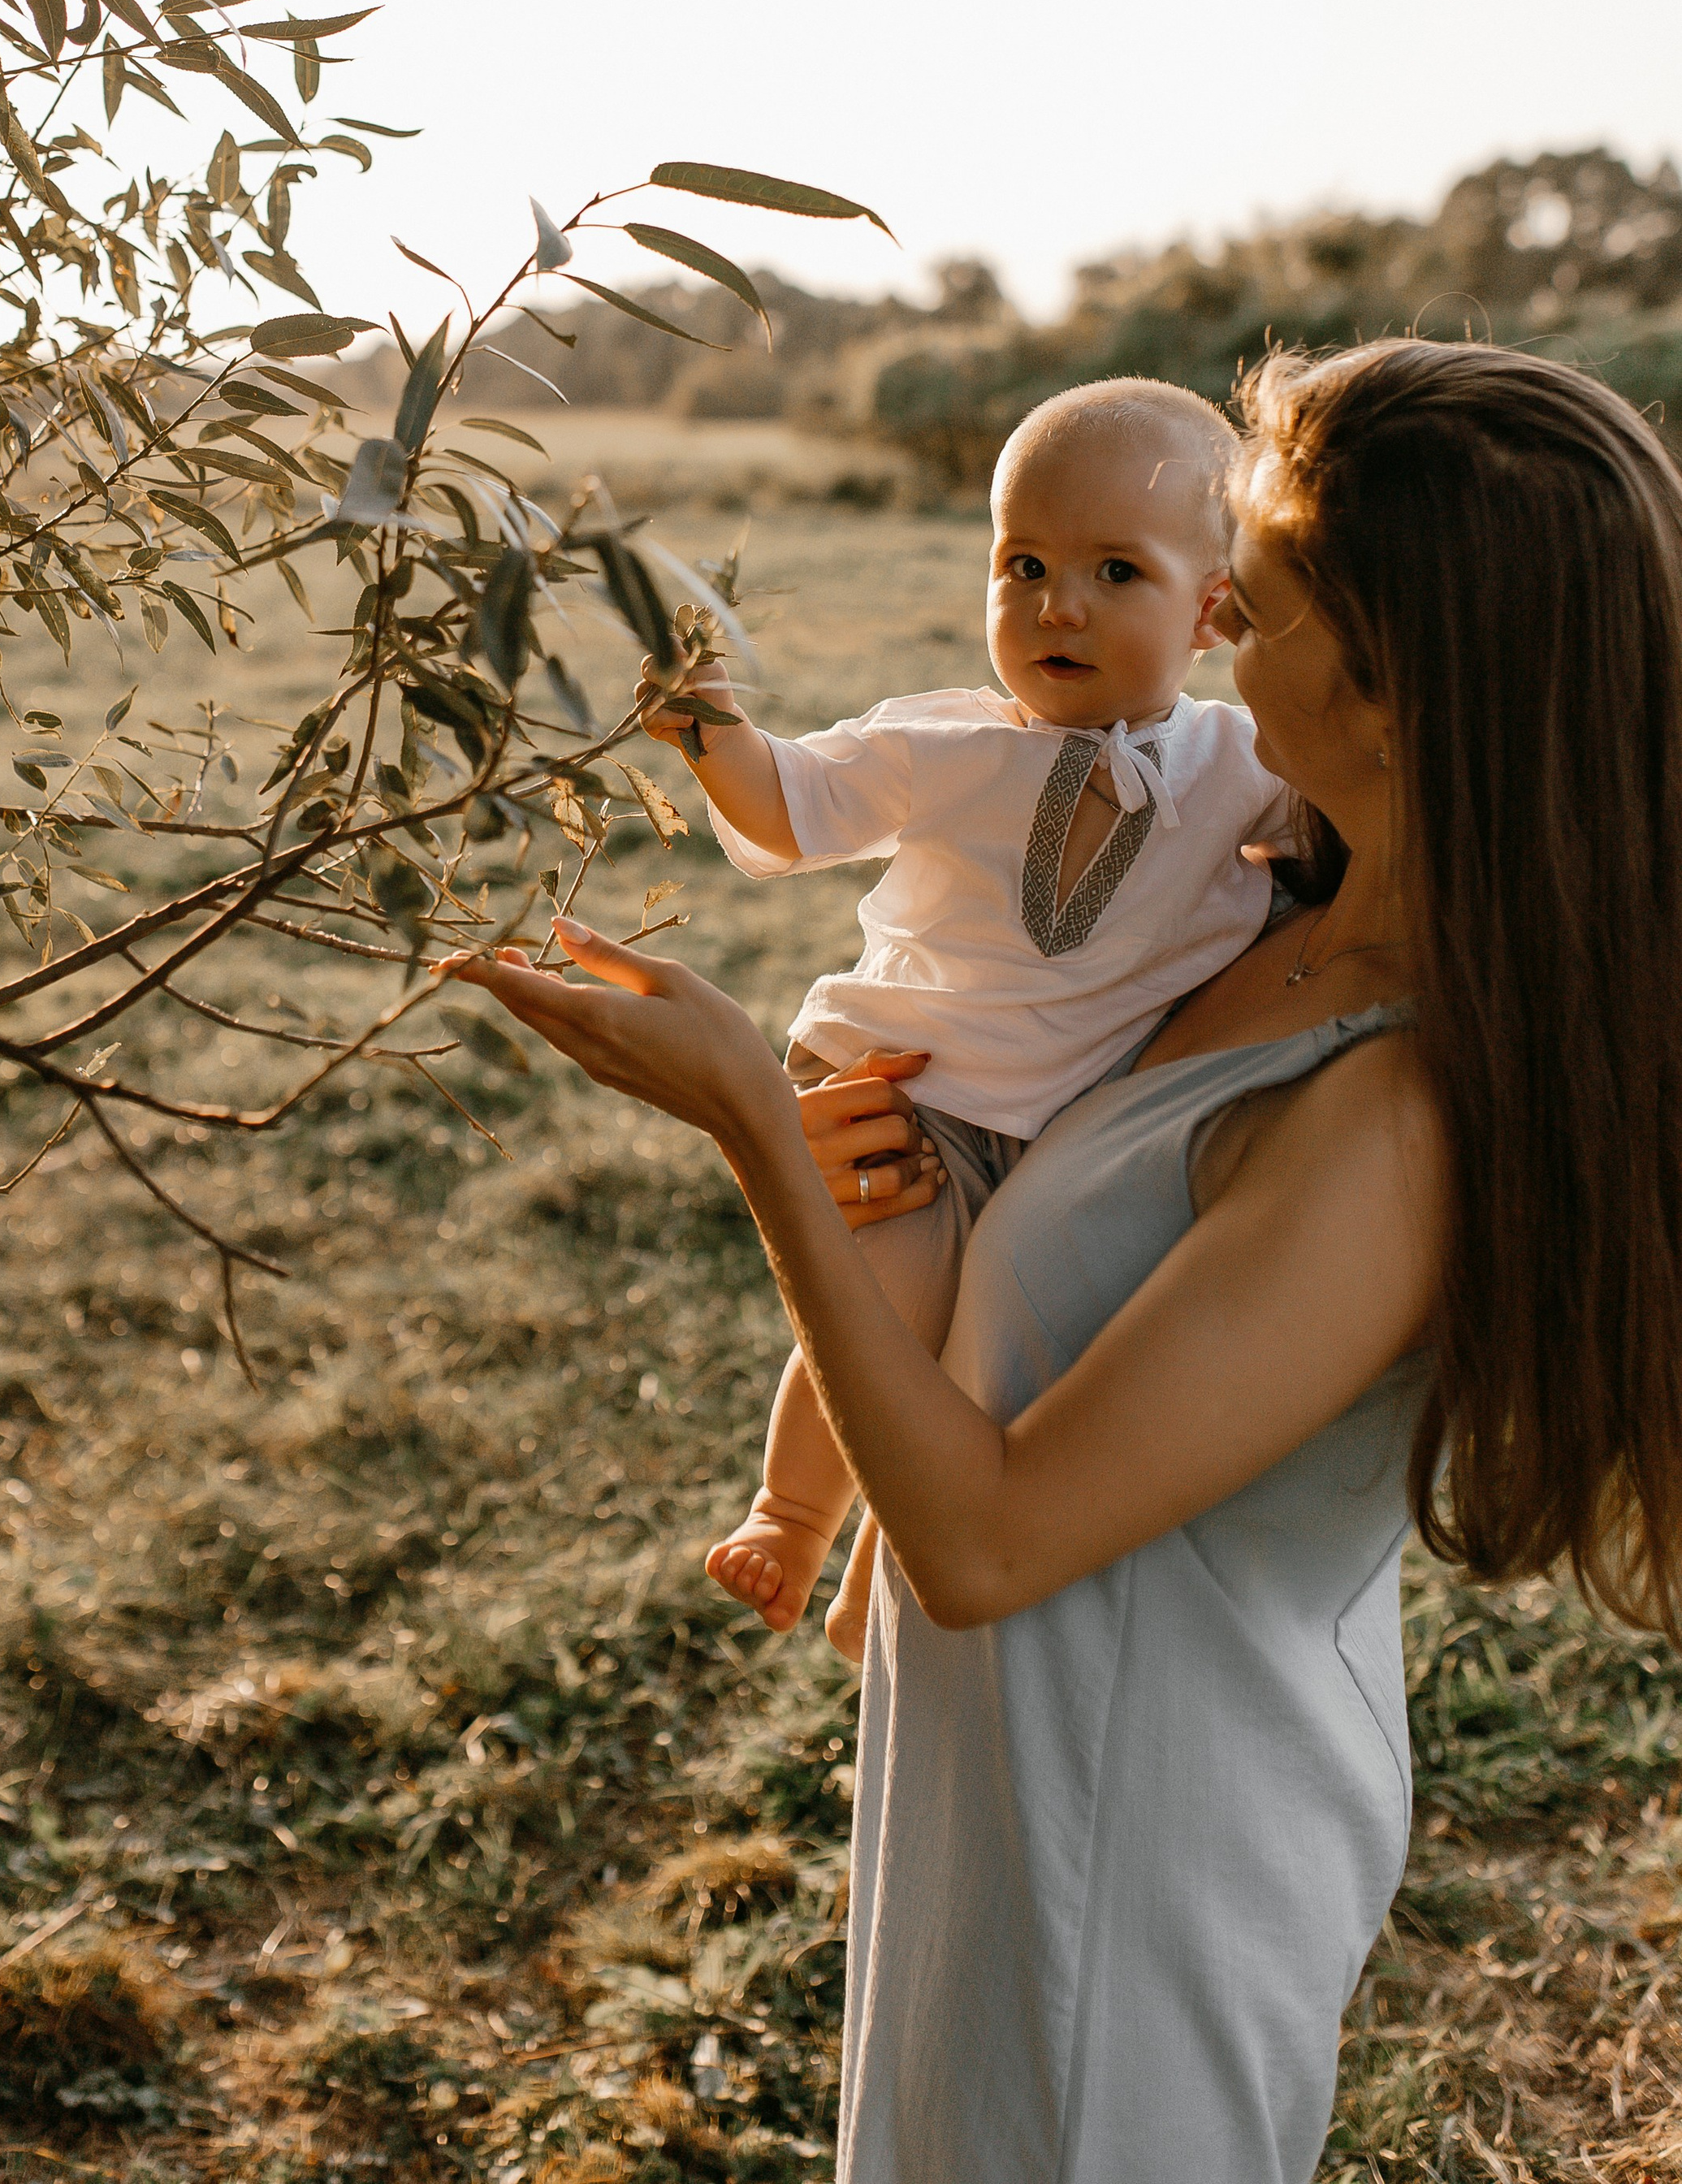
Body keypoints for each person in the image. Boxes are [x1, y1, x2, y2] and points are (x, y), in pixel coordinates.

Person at [456, 339, 1682, 2183]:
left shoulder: (1393, 1122)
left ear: (1396, 678)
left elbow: (988, 1538)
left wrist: (749, 1128)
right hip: (1014, 1779)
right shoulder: (1255, 915)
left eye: (1251, 596)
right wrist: (857, 1150)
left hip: (1136, 1849)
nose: (1213, 619)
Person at [633, 377, 1290, 1654]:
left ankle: (886, 1566)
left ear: (1212, 610)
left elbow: (1359, 822)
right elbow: (793, 806)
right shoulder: (949, 744)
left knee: (1006, 1351)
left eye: (1115, 571)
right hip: (911, 1092)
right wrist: (710, 731)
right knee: (887, 1308)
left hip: (1062, 1126)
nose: (1057, 605)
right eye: (1024, 563)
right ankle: (793, 1515)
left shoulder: (1243, 765)